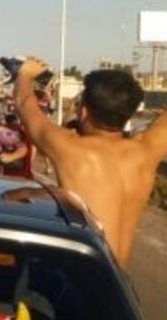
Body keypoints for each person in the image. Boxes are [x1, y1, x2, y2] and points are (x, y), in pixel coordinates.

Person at [11, 58, 165, 266]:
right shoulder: (147, 150)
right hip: (118, 284)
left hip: (80, 279)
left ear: (83, 112)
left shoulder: (71, 148)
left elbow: (23, 105)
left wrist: (25, 74)